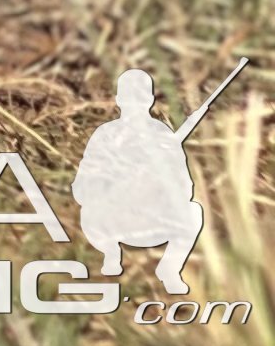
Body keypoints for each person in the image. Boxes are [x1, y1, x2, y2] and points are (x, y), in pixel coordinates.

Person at [72, 70, 203, 293]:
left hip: (152, 217)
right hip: (113, 218)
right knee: (89, 212)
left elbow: (185, 187)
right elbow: (83, 186)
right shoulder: (106, 134)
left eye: (139, 98)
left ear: (150, 100)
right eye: (130, 98)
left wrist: (159, 181)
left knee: (193, 212)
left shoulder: (163, 135)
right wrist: (116, 183)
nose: (134, 105)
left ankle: (170, 269)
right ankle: (111, 254)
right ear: (119, 100)